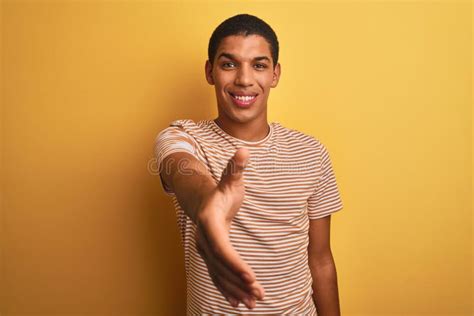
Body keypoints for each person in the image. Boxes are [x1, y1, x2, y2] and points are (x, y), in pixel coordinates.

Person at [154, 13, 343, 315]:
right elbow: (181, 170)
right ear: (210, 71)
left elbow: (320, 260)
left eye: (258, 65)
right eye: (229, 64)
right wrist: (208, 204)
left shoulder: (311, 153)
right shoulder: (183, 138)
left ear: (275, 74)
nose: (244, 79)